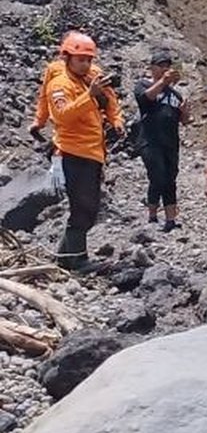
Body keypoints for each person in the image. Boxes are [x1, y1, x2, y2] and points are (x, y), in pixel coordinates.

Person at [46, 31, 124, 269]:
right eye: (81, 59)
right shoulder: (59, 85)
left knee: (88, 207)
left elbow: (110, 101)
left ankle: (63, 259)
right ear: (67, 57)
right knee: (84, 208)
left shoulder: (93, 78)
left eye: (89, 60)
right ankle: (78, 260)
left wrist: (116, 120)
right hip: (72, 153)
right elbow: (63, 116)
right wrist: (89, 97)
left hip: (93, 152)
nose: (86, 64)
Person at [134, 49, 190, 232]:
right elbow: (145, 98)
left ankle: (171, 219)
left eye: (167, 66)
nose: (165, 69)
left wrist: (184, 112)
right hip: (150, 140)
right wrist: (162, 82)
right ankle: (152, 214)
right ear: (152, 68)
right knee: (157, 175)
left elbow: (184, 121)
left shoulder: (175, 95)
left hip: (170, 143)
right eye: (161, 66)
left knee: (170, 178)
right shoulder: (143, 84)